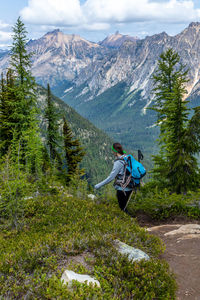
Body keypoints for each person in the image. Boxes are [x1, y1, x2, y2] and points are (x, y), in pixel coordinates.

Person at [94, 142, 133, 214]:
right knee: (124, 207)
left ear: (115, 151)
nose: (112, 152)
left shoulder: (119, 162)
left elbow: (111, 177)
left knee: (122, 209)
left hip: (122, 188)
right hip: (130, 186)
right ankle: (130, 221)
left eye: (113, 151)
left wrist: (98, 185)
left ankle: (131, 222)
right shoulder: (127, 157)